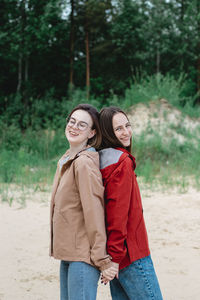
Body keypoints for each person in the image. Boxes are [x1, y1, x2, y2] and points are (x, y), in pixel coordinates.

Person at [49, 104, 117, 300]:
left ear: (92, 132)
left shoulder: (84, 163)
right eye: (72, 121)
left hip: (83, 257)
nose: (74, 127)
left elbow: (94, 212)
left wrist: (103, 261)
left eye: (82, 125)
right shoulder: (67, 159)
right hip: (69, 253)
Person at [99, 106, 163, 300]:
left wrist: (112, 257)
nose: (126, 132)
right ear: (108, 132)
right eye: (118, 129)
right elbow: (117, 215)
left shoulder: (100, 159)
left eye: (127, 125)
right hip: (132, 254)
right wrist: (116, 258)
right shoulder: (122, 162)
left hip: (114, 254)